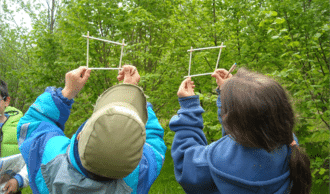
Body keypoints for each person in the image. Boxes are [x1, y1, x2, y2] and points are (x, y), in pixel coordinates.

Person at [17, 65, 166, 194]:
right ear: (138, 153)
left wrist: (68, 91)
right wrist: (133, 92)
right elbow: (154, 142)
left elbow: (32, 123)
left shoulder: (53, 160)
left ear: (80, 135)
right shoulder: (139, 176)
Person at [169, 68, 312, 194]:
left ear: (229, 118)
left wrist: (189, 110)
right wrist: (229, 93)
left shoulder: (214, 161)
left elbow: (185, 163)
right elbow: (242, 135)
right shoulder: (289, 143)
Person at [0, 80, 29, 194]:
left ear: (6, 101)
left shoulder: (21, 128)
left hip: (10, 190)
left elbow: (31, 158)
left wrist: (19, 180)